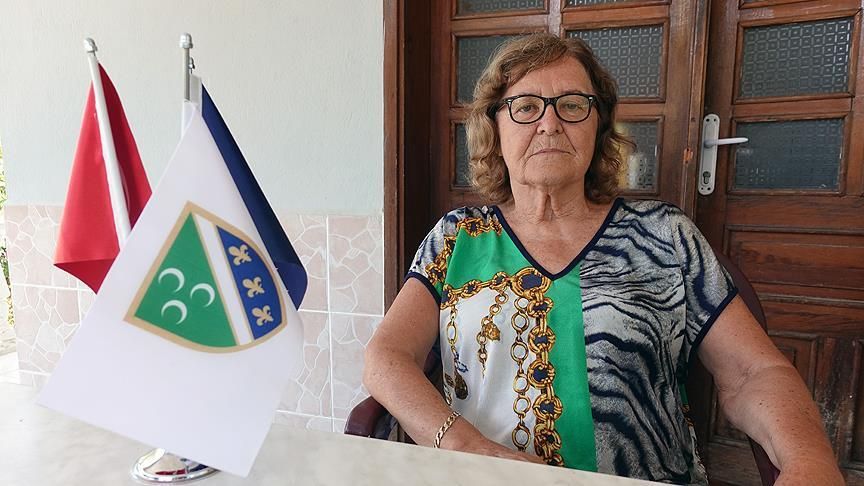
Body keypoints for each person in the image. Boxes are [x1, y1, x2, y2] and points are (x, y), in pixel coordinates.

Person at [363, 33, 842, 485]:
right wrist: (464, 446)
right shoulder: (457, 238)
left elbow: (753, 372)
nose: (549, 123)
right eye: (525, 106)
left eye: (573, 105)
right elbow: (387, 357)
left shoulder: (665, 236)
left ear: (599, 126)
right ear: (494, 127)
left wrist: (810, 462)